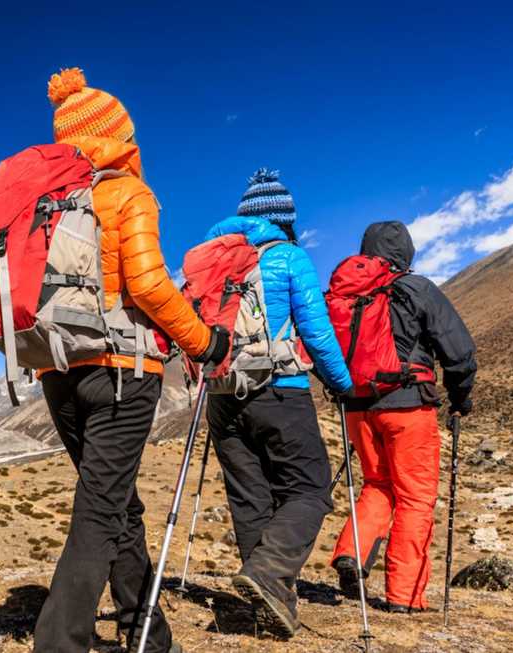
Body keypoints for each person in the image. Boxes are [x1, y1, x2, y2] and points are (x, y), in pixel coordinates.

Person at [34, 68, 228, 653]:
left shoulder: (44, 204)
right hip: (120, 372)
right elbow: (146, 284)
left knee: (117, 499)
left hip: (56, 371)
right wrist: (203, 342)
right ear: (118, 135)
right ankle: (58, 641)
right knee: (100, 508)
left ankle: (146, 629)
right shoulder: (126, 192)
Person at [201, 169, 353, 639]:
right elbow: (317, 333)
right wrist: (341, 384)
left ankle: (274, 605)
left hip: (223, 395)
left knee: (250, 498)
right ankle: (269, 574)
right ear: (283, 219)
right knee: (309, 488)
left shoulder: (210, 260)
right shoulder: (288, 257)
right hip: (278, 388)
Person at [330, 221, 477, 613]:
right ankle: (405, 596)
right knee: (415, 497)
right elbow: (459, 352)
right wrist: (460, 399)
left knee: (378, 484)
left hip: (358, 408)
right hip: (409, 407)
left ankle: (353, 552)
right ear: (406, 254)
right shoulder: (417, 288)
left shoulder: (348, 292)